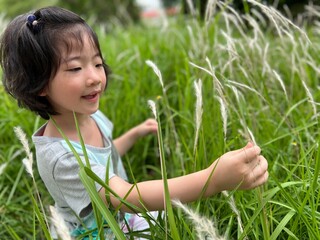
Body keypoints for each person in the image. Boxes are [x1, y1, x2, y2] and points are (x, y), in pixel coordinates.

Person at [0, 6, 269, 239]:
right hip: (105, 232)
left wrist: (134, 134)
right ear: (39, 85)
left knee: (178, 219)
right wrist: (212, 180)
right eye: (75, 68)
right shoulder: (61, 157)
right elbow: (125, 197)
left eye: (97, 63)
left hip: (122, 217)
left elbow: (103, 157)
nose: (94, 77)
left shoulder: (86, 114)